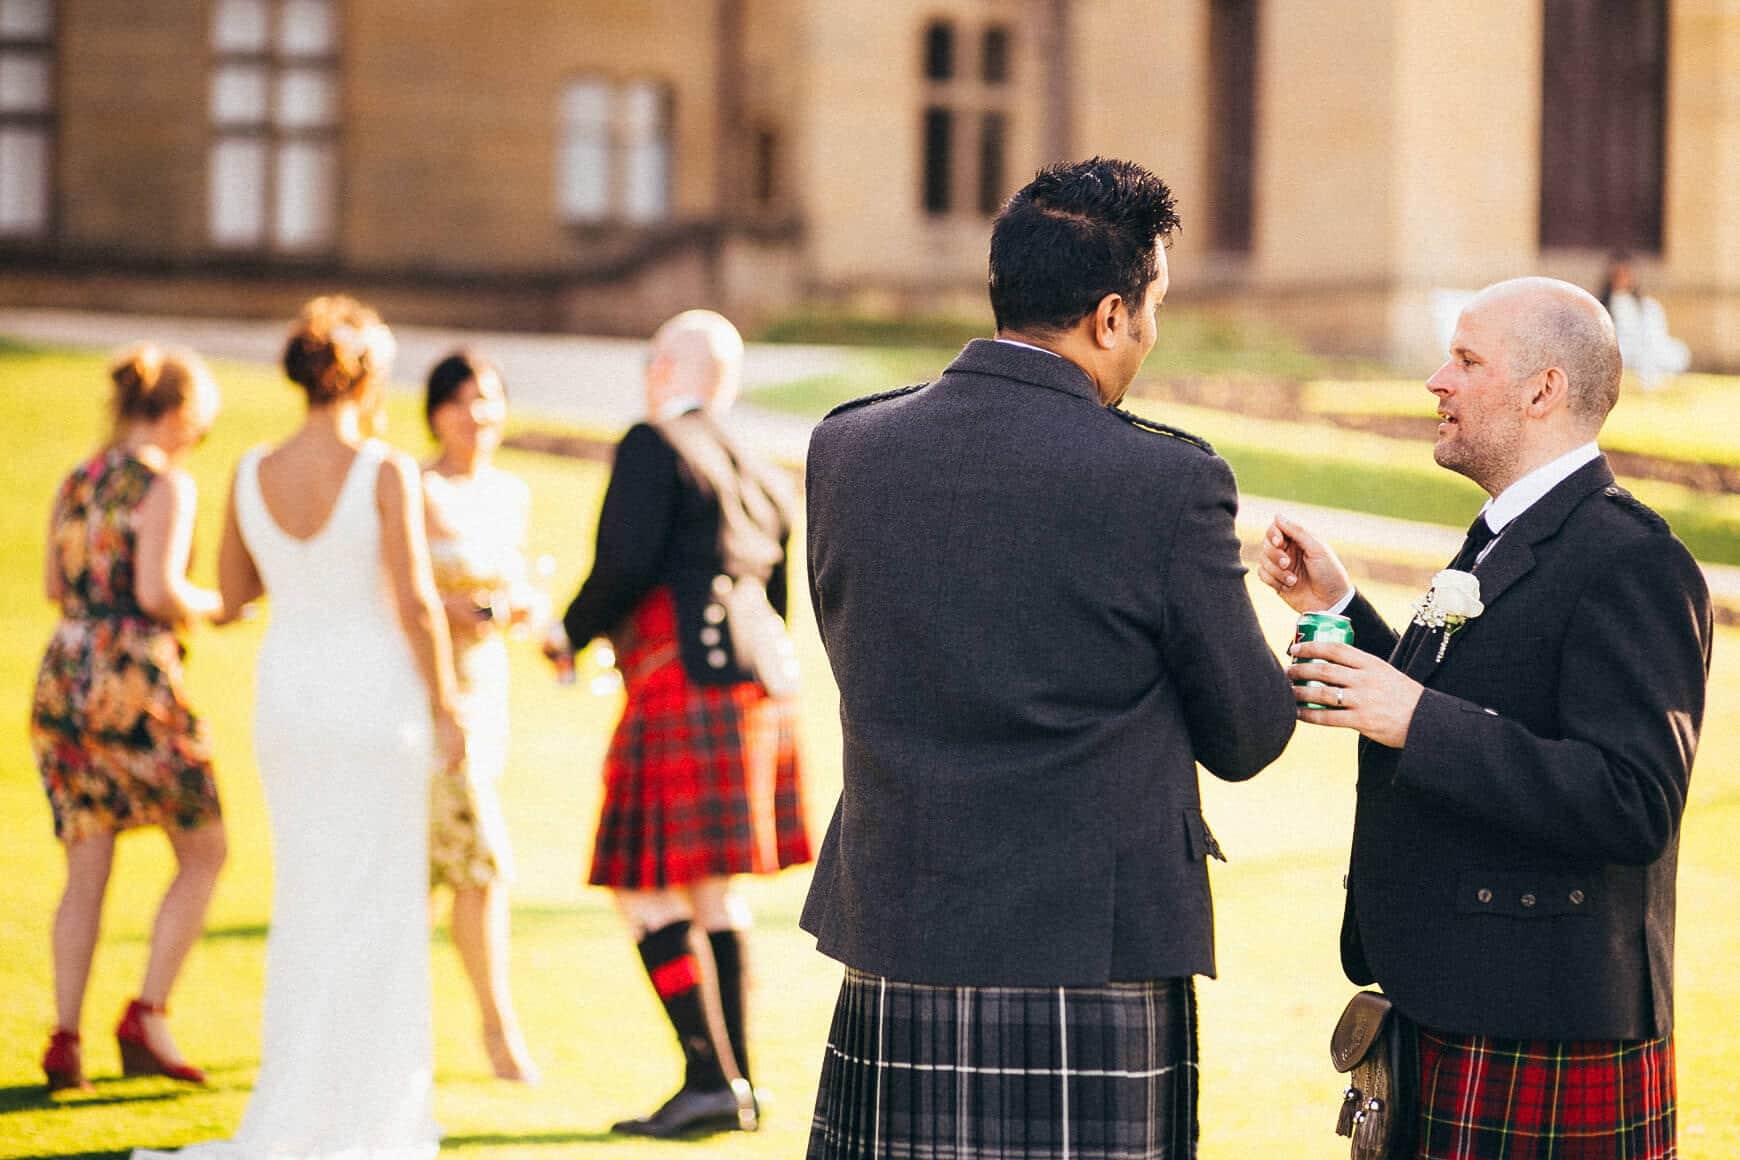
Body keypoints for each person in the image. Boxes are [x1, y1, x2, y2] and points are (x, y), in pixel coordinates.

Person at [801, 157, 1298, 1160]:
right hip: (1086, 959)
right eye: (1153, 303)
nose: (1151, 333)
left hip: (901, 937)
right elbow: (1247, 734)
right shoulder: (1166, 481)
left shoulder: (845, 448)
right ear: (1112, 315)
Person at [1260, 276, 1711, 1159]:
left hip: (1544, 1023)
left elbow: (1635, 799)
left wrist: (1418, 720)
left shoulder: (1633, 561)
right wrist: (1344, 606)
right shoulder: (1505, 537)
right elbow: (1464, 698)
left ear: (1544, 390)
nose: (1437, 380)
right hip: (1459, 1003)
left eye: (1466, 360)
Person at [136, 296, 463, 1159]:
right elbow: (417, 604)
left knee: (309, 900)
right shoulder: (385, 469)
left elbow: (233, 598)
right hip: (373, 701)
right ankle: (372, 1122)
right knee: (382, 908)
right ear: (366, 375)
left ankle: (302, 1107)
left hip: (291, 701)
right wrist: (449, 704)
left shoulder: (249, 470)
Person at [549, 308, 811, 1139]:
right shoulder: (763, 468)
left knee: (643, 887)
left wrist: (569, 633)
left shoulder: (653, 444)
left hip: (680, 683)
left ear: (666, 366)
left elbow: (623, 563)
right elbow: (779, 602)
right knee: (715, 891)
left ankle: (707, 1077)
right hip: (757, 688)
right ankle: (741, 1085)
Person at [32, 345, 229, 1093]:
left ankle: (65, 1037)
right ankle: (147, 1012)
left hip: (64, 675)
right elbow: (156, 590)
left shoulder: (75, 480)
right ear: (177, 416)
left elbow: (55, 582)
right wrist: (218, 604)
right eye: (199, 428)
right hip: (134, 681)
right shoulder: (164, 486)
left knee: (86, 868)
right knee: (205, 850)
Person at [421, 349, 540, 1083]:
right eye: (465, 400)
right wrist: (448, 611)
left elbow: (519, 581)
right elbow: (392, 596)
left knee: (433, 868)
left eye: (491, 399)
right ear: (435, 412)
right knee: (480, 865)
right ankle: (498, 1032)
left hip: (489, 691)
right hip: (428, 696)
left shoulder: (510, 493)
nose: (480, 415)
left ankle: (383, 1019)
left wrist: (523, 609)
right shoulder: (415, 488)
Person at [1599, 252, 1690, 390]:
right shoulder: (1603, 307)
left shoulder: (1646, 305)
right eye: (1619, 274)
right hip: (1622, 349)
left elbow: (1655, 332)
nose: (1623, 278)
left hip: (1647, 345)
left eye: (1626, 274)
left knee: (1679, 351)